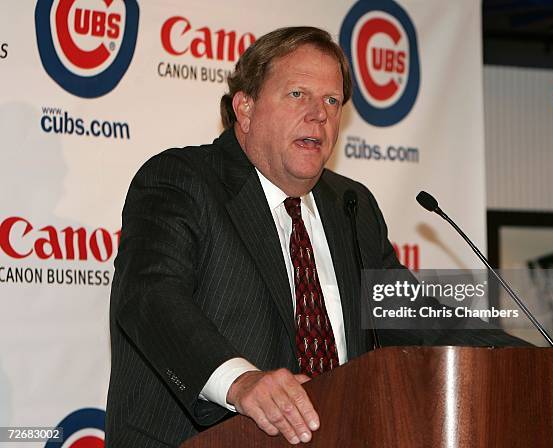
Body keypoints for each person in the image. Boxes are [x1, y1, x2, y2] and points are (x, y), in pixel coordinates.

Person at [105, 26, 527, 447]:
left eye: (331, 100)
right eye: (297, 95)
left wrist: (533, 362)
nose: (319, 114)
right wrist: (241, 381)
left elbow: (413, 317)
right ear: (245, 109)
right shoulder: (181, 182)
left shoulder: (351, 204)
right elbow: (149, 296)